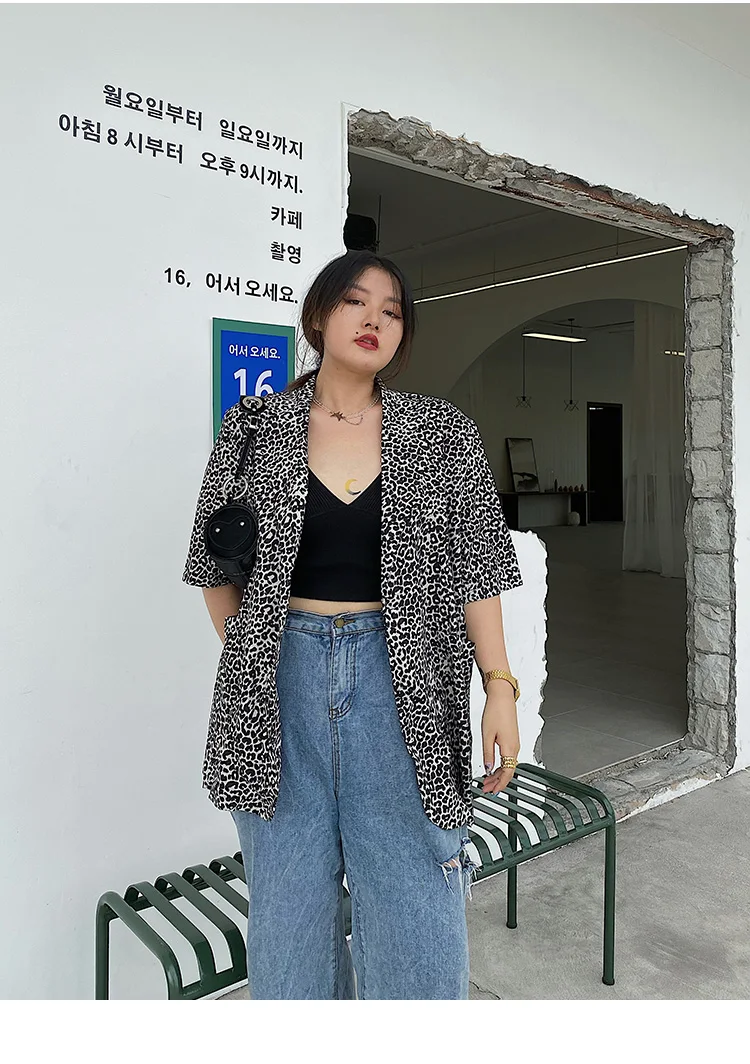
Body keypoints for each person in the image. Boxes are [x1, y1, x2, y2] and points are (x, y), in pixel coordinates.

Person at [182, 249, 524, 1000]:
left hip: (404, 684)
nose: (375, 320)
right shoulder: (253, 427)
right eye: (356, 302)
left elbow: (479, 567)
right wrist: (256, 661)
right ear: (318, 315)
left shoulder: (440, 433)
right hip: (279, 688)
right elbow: (213, 565)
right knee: (290, 915)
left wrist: (499, 686)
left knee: (415, 897)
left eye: (392, 311)